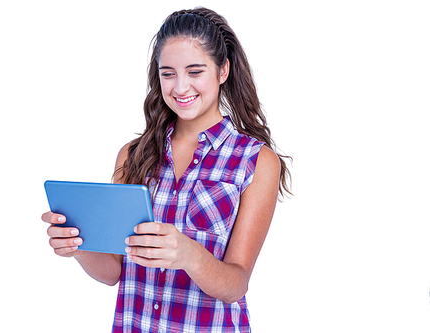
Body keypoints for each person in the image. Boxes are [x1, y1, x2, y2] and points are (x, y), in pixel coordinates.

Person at [42, 7, 291, 332]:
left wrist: (190, 255)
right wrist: (78, 247)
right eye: (168, 73)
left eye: (195, 71)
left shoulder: (255, 161)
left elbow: (236, 284)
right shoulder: (133, 156)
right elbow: (114, 271)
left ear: (223, 70)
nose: (180, 87)